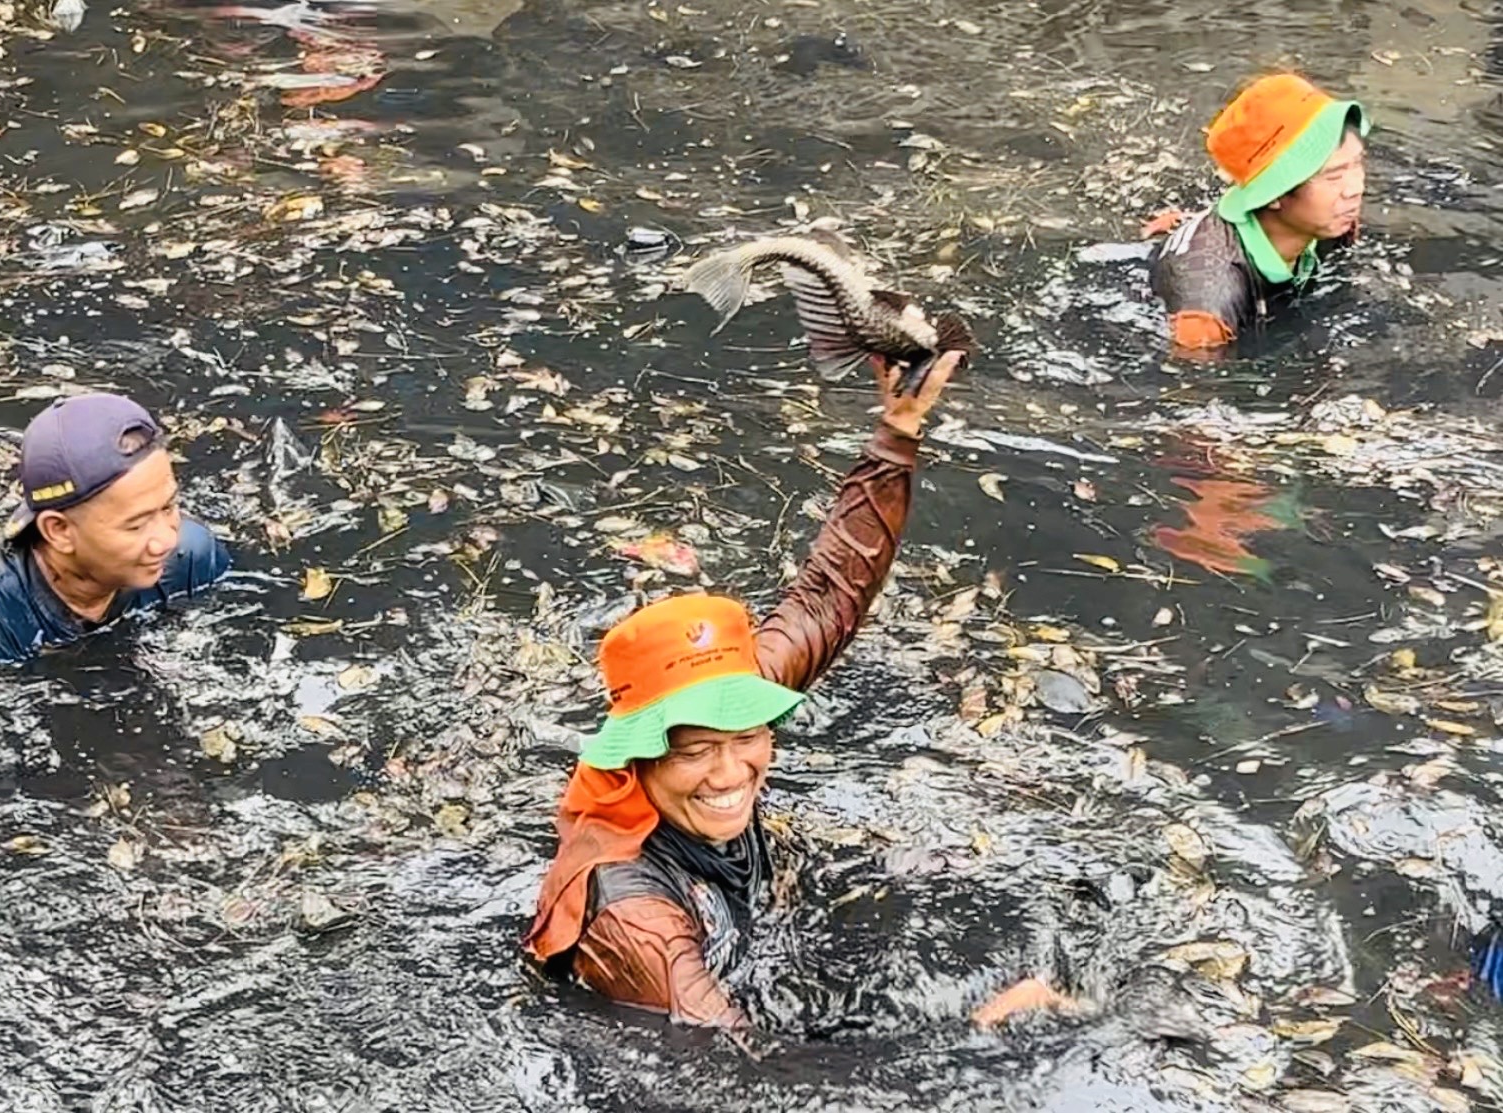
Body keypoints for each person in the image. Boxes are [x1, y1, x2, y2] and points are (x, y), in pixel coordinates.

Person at [523, 352, 1070, 1030]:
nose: (732, 772)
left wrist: (897, 430)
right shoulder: (634, 914)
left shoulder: (729, 720)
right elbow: (744, 1068)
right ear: (639, 758)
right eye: (695, 751)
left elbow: (828, 596)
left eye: (746, 736)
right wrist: (980, 1036)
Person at [0, 392, 231, 665]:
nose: (166, 540)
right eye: (136, 525)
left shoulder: (192, 556)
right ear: (59, 531)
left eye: (168, 507)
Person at [1148, 73, 1369, 357]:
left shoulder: (1331, 222)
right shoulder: (1206, 312)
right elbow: (1194, 379)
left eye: (1357, 164)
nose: (1355, 189)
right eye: (1334, 176)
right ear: (1274, 194)